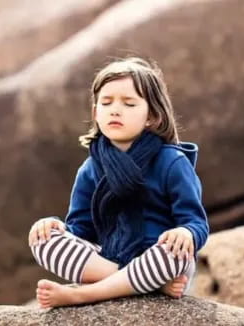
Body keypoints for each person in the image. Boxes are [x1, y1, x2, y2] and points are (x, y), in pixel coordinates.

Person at [28, 56, 209, 309]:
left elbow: (196, 223)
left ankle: (84, 294)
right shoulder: (90, 169)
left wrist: (185, 232)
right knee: (43, 240)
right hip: (114, 258)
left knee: (175, 255)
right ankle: (144, 284)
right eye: (106, 102)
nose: (115, 109)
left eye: (129, 103)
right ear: (96, 113)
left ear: (153, 116)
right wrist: (56, 227)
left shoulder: (172, 161)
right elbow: (81, 229)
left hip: (159, 258)